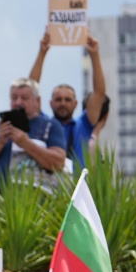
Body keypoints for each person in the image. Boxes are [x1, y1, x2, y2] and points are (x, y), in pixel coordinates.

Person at [29, 30, 106, 170]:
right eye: (58, 99)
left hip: (78, 188)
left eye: (68, 99)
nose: (63, 103)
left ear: (76, 103)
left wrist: (94, 55)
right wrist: (42, 53)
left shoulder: (85, 124)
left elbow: (99, 93)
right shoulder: (45, 125)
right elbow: (30, 92)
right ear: (50, 103)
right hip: (49, 188)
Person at [0, 77, 66, 191]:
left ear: (37, 101)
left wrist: (26, 143)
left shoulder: (51, 125)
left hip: (40, 201)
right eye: (14, 98)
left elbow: (58, 163)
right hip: (2, 200)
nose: (18, 102)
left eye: (24, 98)